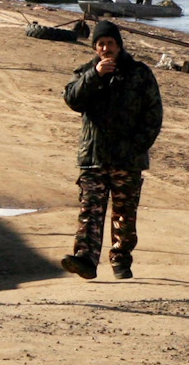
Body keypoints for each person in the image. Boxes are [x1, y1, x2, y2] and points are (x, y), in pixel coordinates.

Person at [60, 20, 163, 280]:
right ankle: (85, 259)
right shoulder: (86, 72)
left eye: (110, 43)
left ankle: (120, 261)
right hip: (93, 157)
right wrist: (95, 75)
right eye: (101, 44)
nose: (106, 48)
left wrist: (136, 147)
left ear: (119, 46)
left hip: (127, 159)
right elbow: (72, 100)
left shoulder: (139, 73)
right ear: (95, 48)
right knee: (90, 210)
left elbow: (153, 115)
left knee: (124, 215)